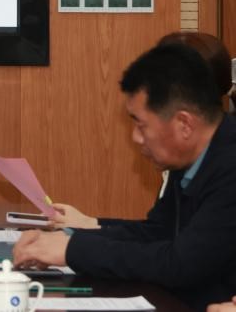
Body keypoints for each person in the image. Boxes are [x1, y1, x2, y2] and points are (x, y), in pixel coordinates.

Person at [13, 43, 236, 310]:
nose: (136, 137)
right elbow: (157, 233)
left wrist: (73, 251)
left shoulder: (229, 166)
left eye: (141, 125)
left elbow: (181, 264)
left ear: (184, 124)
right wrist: (69, 239)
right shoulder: (190, 156)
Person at [49, 31, 233, 231]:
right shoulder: (185, 154)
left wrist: (72, 245)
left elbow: (180, 249)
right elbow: (160, 231)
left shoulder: (224, 167)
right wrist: (89, 225)